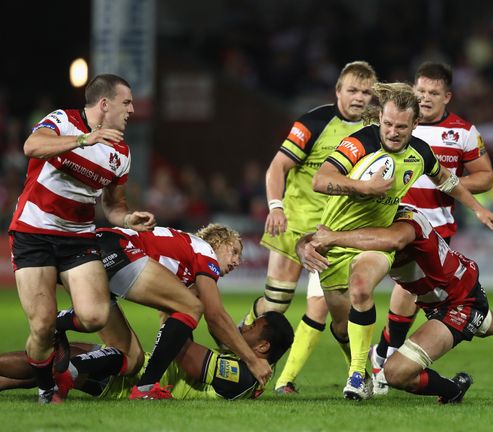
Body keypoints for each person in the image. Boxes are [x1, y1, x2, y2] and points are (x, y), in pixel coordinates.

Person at [311, 81, 493, 400]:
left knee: (361, 288)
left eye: (401, 126)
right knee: (340, 325)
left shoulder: (419, 151)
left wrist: (478, 208)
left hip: (376, 238)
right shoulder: (360, 142)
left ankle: (357, 375)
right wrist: (365, 188)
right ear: (380, 120)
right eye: (387, 124)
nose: (392, 132)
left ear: (414, 125)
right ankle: (361, 365)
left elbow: (448, 181)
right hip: (335, 238)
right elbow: (321, 180)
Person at [297, 205, 493, 403]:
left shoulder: (406, 222)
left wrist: (334, 238)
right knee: (492, 323)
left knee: (396, 373)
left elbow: (391, 241)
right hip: (439, 297)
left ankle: (453, 390)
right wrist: (304, 246)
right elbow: (316, 235)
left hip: (458, 300)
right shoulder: (365, 221)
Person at [8, 74, 156, 403]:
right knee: (40, 328)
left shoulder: (121, 153)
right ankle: (47, 385)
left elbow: (114, 206)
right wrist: (83, 141)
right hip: (34, 233)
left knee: (95, 316)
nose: (132, 110)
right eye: (127, 102)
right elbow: (31, 146)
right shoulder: (63, 121)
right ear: (104, 104)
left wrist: (130, 219)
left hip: (78, 238)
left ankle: (55, 326)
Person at [243, 61, 378, 393]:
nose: (359, 97)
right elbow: (278, 167)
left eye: (365, 91)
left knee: (343, 319)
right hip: (295, 224)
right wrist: (275, 207)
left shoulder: (377, 130)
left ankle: (359, 373)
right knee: (275, 306)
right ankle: (242, 339)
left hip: (336, 233)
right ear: (338, 91)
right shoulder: (314, 122)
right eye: (352, 90)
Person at [371, 62, 493, 395]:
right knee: (402, 295)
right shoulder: (399, 124)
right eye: (420, 90)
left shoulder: (464, 132)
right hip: (395, 225)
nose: (424, 98)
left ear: (447, 97)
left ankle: (384, 358)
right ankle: (382, 358)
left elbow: (486, 177)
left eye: (433, 93)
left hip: (438, 231)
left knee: (413, 300)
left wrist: (448, 183)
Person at [54, 223, 273, 400]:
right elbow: (215, 315)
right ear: (217, 241)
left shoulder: (184, 273)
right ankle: (145, 388)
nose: (237, 261)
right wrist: (252, 361)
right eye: (234, 251)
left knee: (132, 359)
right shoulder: (204, 251)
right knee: (193, 306)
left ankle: (68, 369)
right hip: (115, 248)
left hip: (95, 253)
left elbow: (171, 328)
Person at [0, 312, 294, 401]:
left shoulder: (240, 373)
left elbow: (181, 350)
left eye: (252, 327)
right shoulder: (251, 372)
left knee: (56, 359)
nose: (242, 327)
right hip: (134, 373)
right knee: (62, 358)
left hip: (128, 381)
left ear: (263, 347)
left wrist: (182, 305)